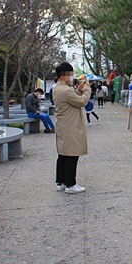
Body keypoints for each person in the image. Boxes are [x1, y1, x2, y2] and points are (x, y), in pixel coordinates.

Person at [52, 63, 91, 194]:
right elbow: (81, 102)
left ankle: (61, 182)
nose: (72, 76)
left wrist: (79, 90)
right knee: (72, 154)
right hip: (71, 126)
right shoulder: (65, 90)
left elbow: (72, 99)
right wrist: (86, 90)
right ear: (65, 74)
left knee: (63, 154)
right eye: (71, 74)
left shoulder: (58, 88)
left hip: (64, 125)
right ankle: (70, 184)